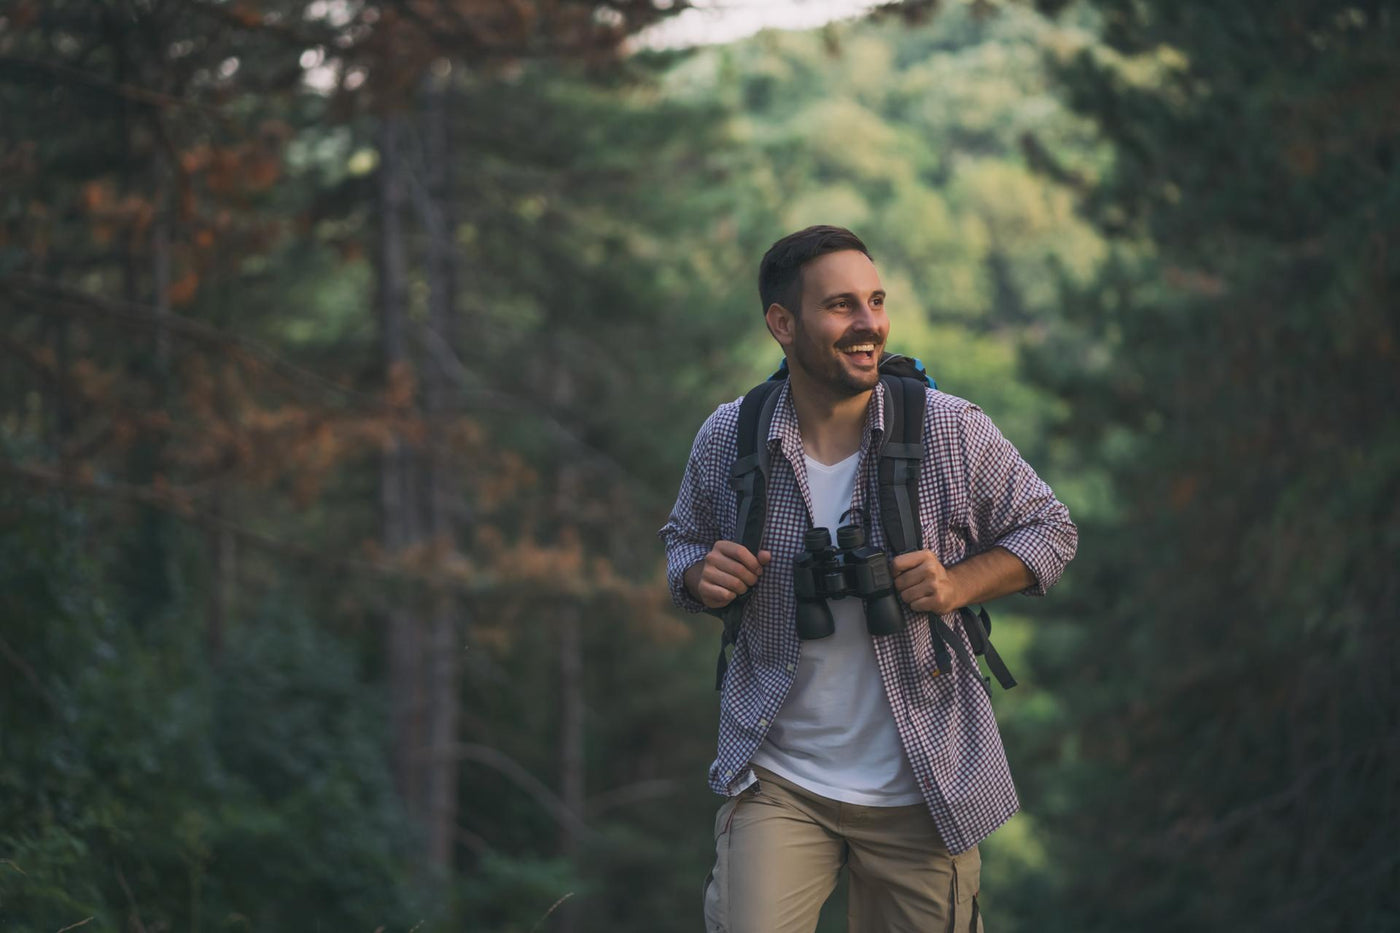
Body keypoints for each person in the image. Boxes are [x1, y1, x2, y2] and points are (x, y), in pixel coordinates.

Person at [658, 225, 1078, 933]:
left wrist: (956, 585)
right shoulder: (730, 436)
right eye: (841, 305)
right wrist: (701, 574)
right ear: (782, 324)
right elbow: (681, 542)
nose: (869, 324)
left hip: (924, 781)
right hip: (779, 778)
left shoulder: (950, 430)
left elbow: (1052, 530)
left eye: (876, 301)